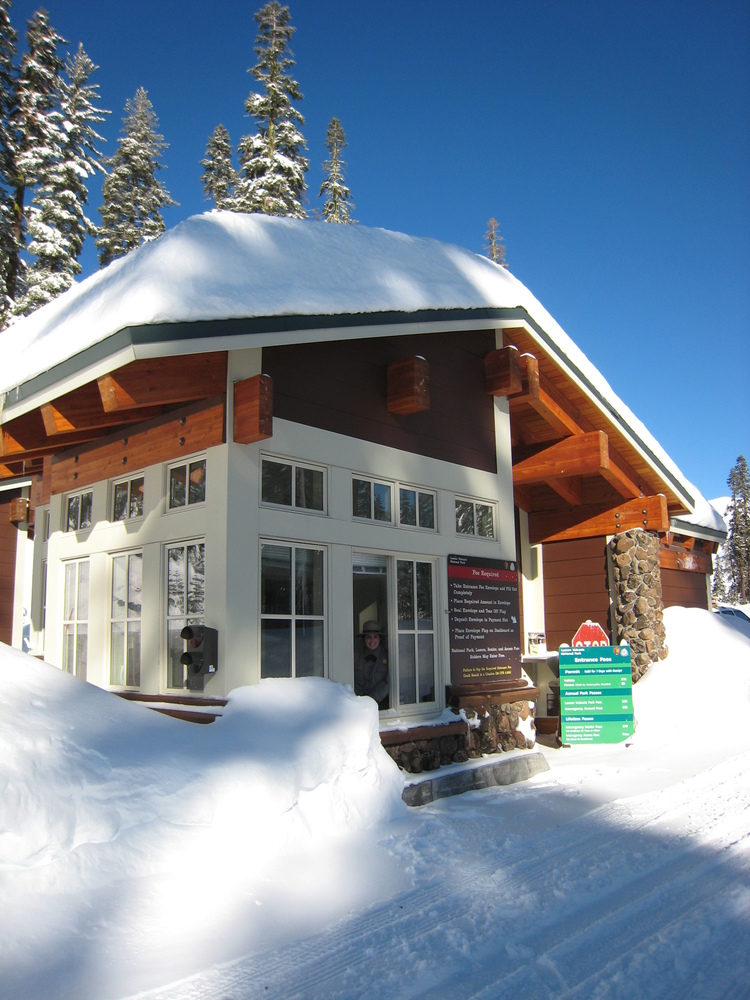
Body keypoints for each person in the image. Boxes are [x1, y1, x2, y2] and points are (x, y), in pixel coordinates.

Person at [354, 620, 389, 708]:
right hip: (359, 705)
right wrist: (360, 701)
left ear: (380, 639)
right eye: (368, 637)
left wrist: (371, 700)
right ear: (364, 639)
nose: (372, 640)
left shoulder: (388, 656)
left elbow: (388, 682)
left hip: (381, 705)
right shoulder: (356, 657)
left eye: (375, 637)